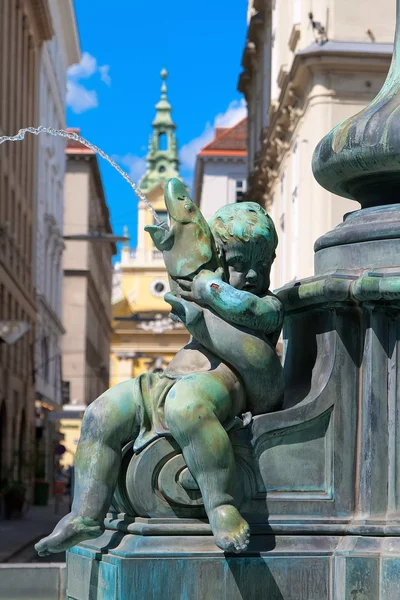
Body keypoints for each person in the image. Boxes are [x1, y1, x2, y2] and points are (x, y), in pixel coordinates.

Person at [35, 202, 284, 557]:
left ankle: (222, 506)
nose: (254, 276)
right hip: (166, 381)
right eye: (240, 264)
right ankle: (86, 514)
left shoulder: (268, 305)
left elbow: (244, 308)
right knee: (100, 413)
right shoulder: (206, 286)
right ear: (216, 258)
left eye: (263, 265)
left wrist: (205, 287)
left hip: (222, 383)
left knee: (189, 407)